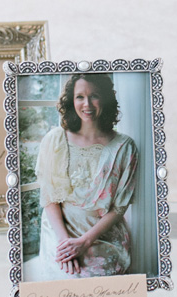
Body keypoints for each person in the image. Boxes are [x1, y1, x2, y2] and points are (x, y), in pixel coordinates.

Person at [34, 73, 138, 278]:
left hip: (102, 235)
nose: (87, 103)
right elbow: (49, 198)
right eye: (80, 96)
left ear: (105, 99)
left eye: (94, 96)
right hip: (60, 230)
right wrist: (65, 245)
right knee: (67, 279)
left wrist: (84, 242)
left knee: (99, 283)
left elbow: (119, 207)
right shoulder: (55, 140)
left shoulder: (125, 146)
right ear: (71, 101)